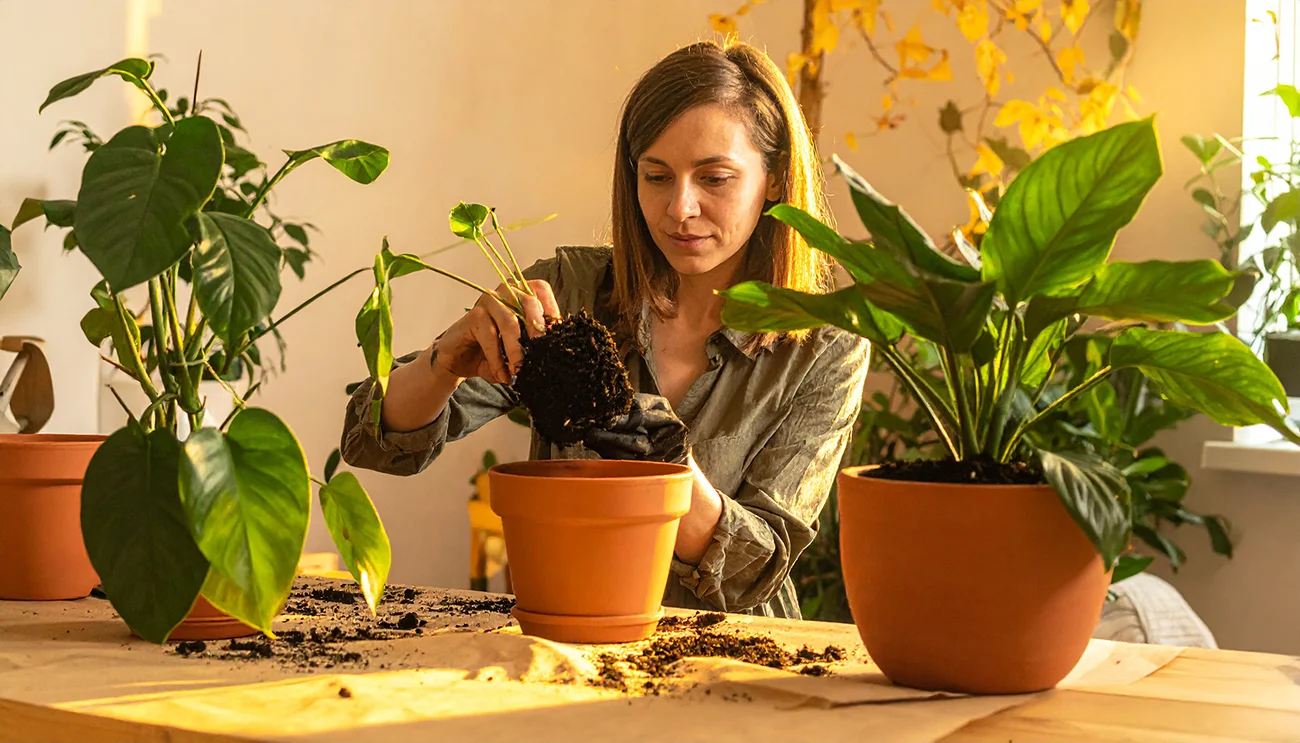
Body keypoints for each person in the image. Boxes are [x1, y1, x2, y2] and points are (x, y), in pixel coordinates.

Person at [341, 39, 870, 618]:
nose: (680, 208)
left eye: (715, 178)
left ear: (774, 179)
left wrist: (669, 467)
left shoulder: (825, 347)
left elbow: (753, 572)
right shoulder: (569, 293)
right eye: (657, 176)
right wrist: (445, 362)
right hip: (562, 633)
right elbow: (373, 441)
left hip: (730, 661)